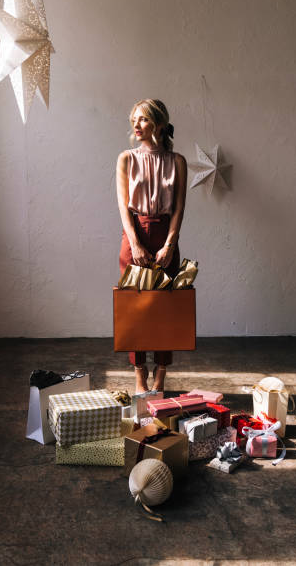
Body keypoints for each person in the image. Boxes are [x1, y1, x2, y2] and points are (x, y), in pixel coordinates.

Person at [116, 99, 187, 394]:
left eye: (143, 120)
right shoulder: (126, 159)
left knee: (164, 309)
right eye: (134, 119)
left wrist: (170, 244)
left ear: (158, 124)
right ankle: (139, 374)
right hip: (134, 234)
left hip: (165, 236)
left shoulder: (178, 161)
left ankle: (160, 375)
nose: (136, 125)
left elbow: (180, 208)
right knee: (135, 309)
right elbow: (122, 205)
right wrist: (135, 244)